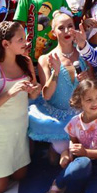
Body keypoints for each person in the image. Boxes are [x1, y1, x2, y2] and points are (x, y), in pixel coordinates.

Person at [0, 22, 41, 193]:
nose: (26, 42)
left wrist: (35, 90)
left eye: (25, 37)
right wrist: (9, 93)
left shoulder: (26, 62)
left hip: (19, 128)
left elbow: (33, 94)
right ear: (6, 44)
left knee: (20, 176)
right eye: (20, 39)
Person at [42, 78, 97, 193]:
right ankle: (57, 184)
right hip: (85, 162)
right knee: (82, 164)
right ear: (80, 102)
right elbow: (74, 147)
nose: (95, 103)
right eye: (89, 100)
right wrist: (66, 154)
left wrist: (86, 152)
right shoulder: (74, 123)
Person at [27, 14, 80, 157]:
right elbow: (47, 95)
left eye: (70, 26)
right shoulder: (45, 58)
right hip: (58, 119)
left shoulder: (84, 53)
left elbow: (93, 88)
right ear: (53, 32)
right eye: (61, 28)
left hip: (81, 115)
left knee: (76, 156)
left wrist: (88, 81)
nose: (67, 31)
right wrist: (55, 73)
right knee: (60, 158)